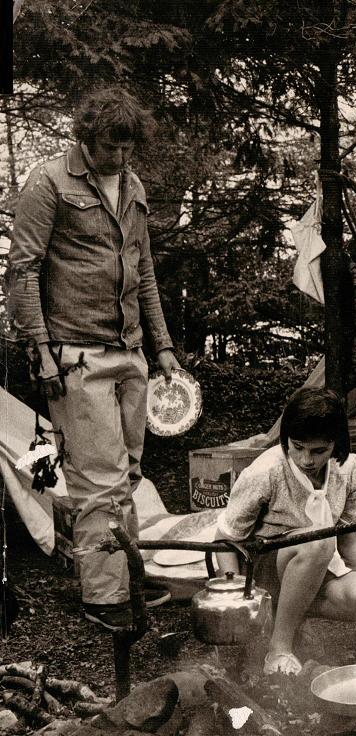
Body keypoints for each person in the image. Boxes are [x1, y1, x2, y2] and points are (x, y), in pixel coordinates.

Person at [7, 87, 180, 631]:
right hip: (75, 354)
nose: (120, 158)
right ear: (86, 136)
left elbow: (145, 270)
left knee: (126, 475)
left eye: (128, 148)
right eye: (110, 146)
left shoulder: (133, 187)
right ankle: (102, 598)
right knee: (97, 480)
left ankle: (123, 575)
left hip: (130, 352)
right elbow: (23, 270)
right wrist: (41, 350)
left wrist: (164, 346)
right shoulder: (48, 182)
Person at [216, 388, 356, 676]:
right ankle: (279, 648)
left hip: (311, 566)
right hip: (262, 567)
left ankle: (285, 612)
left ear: (336, 445)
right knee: (319, 542)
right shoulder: (266, 472)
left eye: (319, 451)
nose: (306, 460)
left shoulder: (349, 469)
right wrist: (239, 597)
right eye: (298, 447)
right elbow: (226, 538)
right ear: (286, 440)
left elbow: (349, 543)